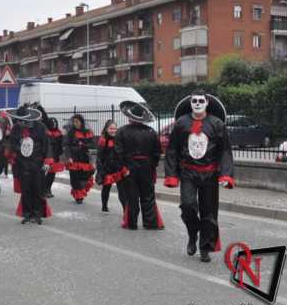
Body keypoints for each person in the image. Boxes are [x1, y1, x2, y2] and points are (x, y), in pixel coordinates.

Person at [164, 91, 234, 263]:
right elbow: (172, 150)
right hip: (188, 172)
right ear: (190, 103)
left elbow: (225, 150)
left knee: (209, 213)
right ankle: (192, 233)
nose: (197, 103)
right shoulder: (181, 123)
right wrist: (171, 175)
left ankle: (204, 247)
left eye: (200, 100)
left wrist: (226, 174)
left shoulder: (217, 124)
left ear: (207, 102)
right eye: (194, 100)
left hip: (210, 175)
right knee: (187, 206)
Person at [115, 101, 164, 231]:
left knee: (131, 196)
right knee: (148, 196)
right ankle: (150, 223)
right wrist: (152, 166)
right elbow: (157, 152)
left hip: (129, 167)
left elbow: (118, 153)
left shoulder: (121, 131)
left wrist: (123, 168)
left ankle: (132, 224)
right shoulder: (151, 132)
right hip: (146, 167)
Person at [9, 105, 52, 225]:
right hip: (23, 164)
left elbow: (47, 144)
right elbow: (12, 143)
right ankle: (27, 214)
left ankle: (37, 215)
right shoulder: (16, 128)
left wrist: (47, 160)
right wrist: (19, 147)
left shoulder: (40, 126)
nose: (21, 122)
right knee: (26, 190)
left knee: (38, 189)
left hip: (38, 163)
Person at [95, 120, 127, 213]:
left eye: (115, 128)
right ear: (106, 129)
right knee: (106, 188)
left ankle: (125, 210)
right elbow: (99, 157)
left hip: (118, 169)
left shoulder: (119, 139)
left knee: (122, 191)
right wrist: (100, 171)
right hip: (107, 170)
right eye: (111, 128)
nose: (113, 130)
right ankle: (104, 206)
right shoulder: (103, 140)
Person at [64, 114, 96, 204]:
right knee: (75, 178)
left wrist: (84, 145)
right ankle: (78, 197)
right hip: (74, 159)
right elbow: (66, 146)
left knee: (85, 177)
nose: (75, 123)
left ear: (81, 122)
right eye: (74, 122)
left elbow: (93, 146)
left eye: (77, 121)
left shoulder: (88, 132)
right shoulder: (71, 133)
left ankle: (81, 192)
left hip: (86, 159)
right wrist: (69, 157)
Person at [45, 117, 64, 198]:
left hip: (56, 156)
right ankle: (45, 190)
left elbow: (61, 145)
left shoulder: (59, 133)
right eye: (52, 122)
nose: (54, 124)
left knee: (52, 175)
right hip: (48, 156)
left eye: (55, 122)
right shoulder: (46, 133)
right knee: (47, 174)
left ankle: (48, 189)